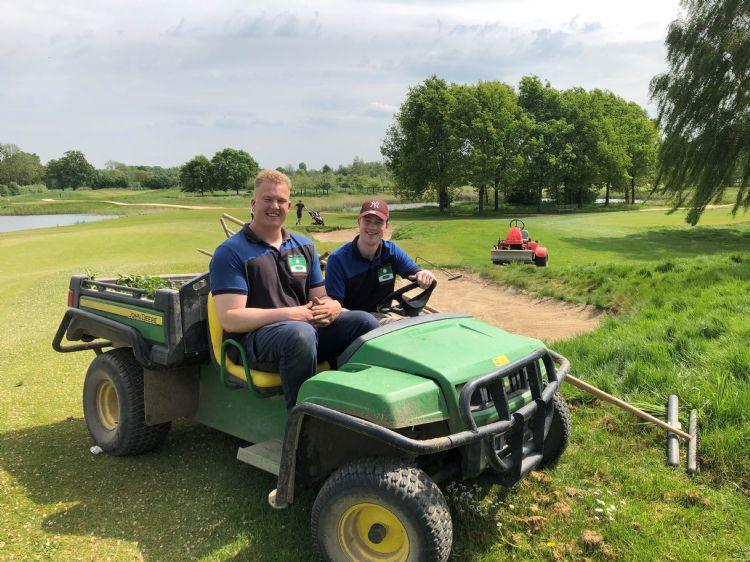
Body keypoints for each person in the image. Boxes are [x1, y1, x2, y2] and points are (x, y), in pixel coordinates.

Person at [209, 170, 379, 408]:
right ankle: (301, 417)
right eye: (267, 199)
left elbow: (320, 298)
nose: (274, 206)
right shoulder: (230, 252)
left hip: (302, 334)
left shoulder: (304, 246)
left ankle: (353, 404)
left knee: (365, 322)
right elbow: (231, 319)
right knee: (299, 333)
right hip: (253, 343)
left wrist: (333, 305)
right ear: (254, 203)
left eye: (281, 201)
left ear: (289, 206)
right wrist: (292, 314)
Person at [324, 198, 436, 316]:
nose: (372, 227)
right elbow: (335, 308)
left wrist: (424, 274)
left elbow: (416, 273)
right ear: (359, 222)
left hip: (383, 317)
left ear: (386, 225)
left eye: (378, 222)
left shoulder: (392, 252)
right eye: (367, 221)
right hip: (351, 321)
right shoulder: (338, 259)